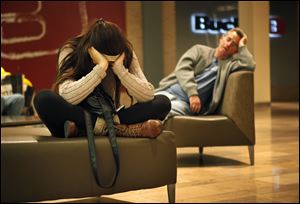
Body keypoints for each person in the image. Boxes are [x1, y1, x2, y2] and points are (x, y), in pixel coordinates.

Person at [33, 18, 171, 139]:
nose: (110, 62)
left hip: (108, 115)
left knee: (163, 102)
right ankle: (120, 130)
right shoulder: (70, 49)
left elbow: (147, 95)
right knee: (42, 99)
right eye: (107, 58)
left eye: (113, 59)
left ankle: (85, 131)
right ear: (92, 49)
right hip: (78, 114)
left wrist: (120, 69)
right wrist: (100, 67)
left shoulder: (125, 51)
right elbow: (67, 95)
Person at [155, 27, 255, 119]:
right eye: (228, 39)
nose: (228, 45)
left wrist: (242, 46)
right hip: (170, 91)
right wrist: (192, 94)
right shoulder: (199, 50)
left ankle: (142, 130)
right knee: (145, 104)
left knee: (161, 110)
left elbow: (249, 65)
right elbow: (183, 68)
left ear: (235, 51)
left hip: (186, 104)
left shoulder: (230, 65)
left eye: (234, 44)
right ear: (221, 39)